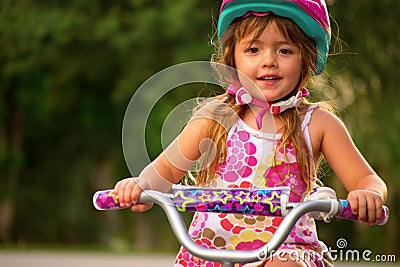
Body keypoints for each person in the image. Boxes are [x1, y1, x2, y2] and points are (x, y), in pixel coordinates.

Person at [113, 0, 387, 266]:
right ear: (232, 57)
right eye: (253, 49)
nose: (269, 61)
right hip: (211, 253)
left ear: (308, 56)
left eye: (285, 51)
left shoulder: (318, 123)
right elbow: (163, 172)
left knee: (286, 265)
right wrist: (141, 186)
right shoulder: (213, 118)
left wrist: (367, 194)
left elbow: (366, 179)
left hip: (285, 249)